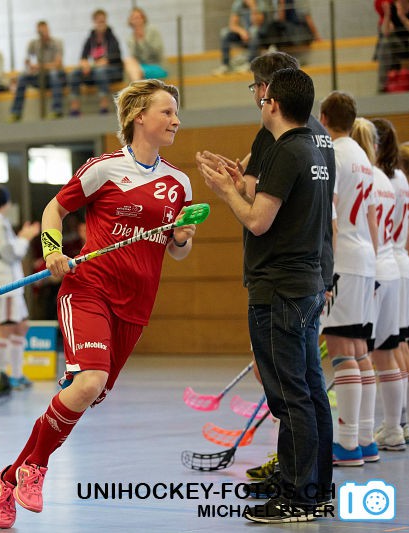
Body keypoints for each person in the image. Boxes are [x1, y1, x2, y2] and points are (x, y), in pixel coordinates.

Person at [0, 79, 194, 529]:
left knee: (89, 394)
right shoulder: (104, 168)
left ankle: (10, 476)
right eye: (167, 111)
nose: (176, 120)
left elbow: (175, 250)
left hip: (135, 309)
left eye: (177, 113)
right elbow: (53, 210)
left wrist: (181, 237)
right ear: (140, 116)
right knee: (87, 383)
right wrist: (51, 251)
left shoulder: (179, 184)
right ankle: (36, 470)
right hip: (89, 291)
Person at [197, 51, 336, 483]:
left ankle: (299, 489)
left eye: (258, 89)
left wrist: (225, 190)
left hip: (282, 281)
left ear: (269, 95)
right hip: (311, 271)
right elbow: (273, 195)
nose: (257, 97)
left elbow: (258, 215)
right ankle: (315, 483)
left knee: (291, 393)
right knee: (309, 388)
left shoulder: (284, 143)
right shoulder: (316, 137)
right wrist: (239, 182)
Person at [318, 91, 379, 467]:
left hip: (343, 258)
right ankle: (365, 438)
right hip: (366, 257)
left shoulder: (334, 154)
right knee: (359, 350)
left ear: (323, 117)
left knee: (342, 350)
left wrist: (324, 266)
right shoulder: (363, 158)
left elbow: (331, 216)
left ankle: (346, 443)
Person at [372, 117, 409, 447]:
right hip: (398, 260)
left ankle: (395, 423)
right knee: (397, 345)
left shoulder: (378, 179)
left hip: (383, 259)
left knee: (383, 350)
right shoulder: (398, 177)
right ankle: (400, 419)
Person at [0, 185, 40, 389]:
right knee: (5, 327)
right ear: (6, 203)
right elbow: (10, 254)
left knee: (21, 326)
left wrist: (21, 236)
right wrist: (25, 237)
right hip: (4, 286)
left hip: (12, 285)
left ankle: (15, 374)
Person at [69, 9, 123, 117]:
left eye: (103, 21)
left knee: (100, 71)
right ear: (94, 22)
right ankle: (74, 107)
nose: (101, 24)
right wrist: (85, 65)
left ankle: (104, 106)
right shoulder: (90, 38)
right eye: (99, 21)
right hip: (96, 70)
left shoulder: (112, 37)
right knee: (74, 74)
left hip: (113, 70)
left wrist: (92, 65)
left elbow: (109, 59)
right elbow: (83, 57)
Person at [9, 21, 65, 122]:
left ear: (48, 30)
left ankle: (57, 110)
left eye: (45, 31)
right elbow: (28, 61)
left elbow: (57, 64)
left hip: (55, 77)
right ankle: (16, 113)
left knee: (54, 74)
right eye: (40, 32)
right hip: (40, 77)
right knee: (22, 78)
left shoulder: (57, 43)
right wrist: (29, 67)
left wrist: (40, 66)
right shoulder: (34, 44)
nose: (43, 34)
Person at [213, 0, 268, 75]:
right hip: (245, 34)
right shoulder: (238, 3)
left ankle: (250, 64)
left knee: (253, 30)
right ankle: (225, 65)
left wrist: (252, 6)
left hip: (260, 34)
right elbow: (232, 25)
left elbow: (257, 23)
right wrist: (242, 31)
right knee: (225, 33)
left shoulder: (260, 3)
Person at [123, 7, 167, 82]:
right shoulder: (130, 39)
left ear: (143, 19)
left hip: (156, 65)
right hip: (139, 68)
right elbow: (134, 58)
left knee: (134, 72)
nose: (136, 21)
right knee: (128, 61)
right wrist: (136, 41)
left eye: (138, 17)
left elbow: (157, 53)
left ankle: (137, 90)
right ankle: (138, 88)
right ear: (130, 21)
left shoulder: (153, 31)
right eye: (133, 18)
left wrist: (143, 40)